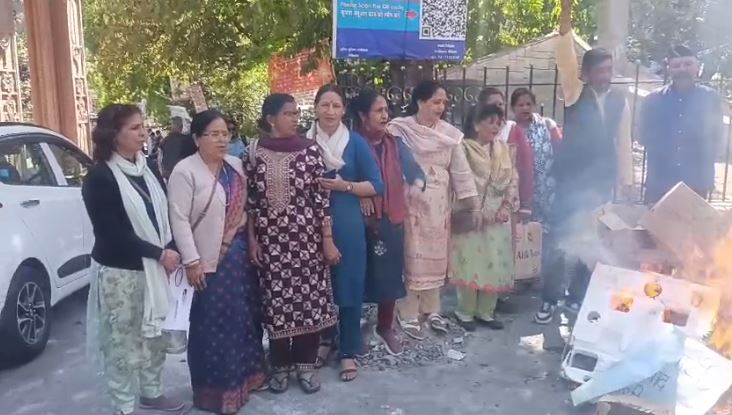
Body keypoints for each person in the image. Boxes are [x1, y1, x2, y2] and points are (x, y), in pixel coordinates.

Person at [82, 104, 189, 415]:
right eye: (134, 128)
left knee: (154, 336)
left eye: (142, 126)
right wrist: (160, 253)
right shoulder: (100, 177)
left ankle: (152, 393)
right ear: (113, 135)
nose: (143, 133)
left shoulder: (147, 168)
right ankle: (124, 405)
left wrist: (170, 249)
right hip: (121, 274)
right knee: (121, 342)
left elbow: (163, 214)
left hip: (155, 269)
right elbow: (111, 234)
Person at [534, 0, 633, 325]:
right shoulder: (575, 91)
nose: (605, 76)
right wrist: (566, 11)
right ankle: (549, 300)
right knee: (559, 243)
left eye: (608, 70)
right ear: (586, 74)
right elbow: (565, 51)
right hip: (570, 184)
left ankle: (575, 297)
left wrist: (625, 182)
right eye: (599, 71)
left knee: (592, 242)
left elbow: (624, 143)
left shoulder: (620, 101)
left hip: (600, 185)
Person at [168, 110, 266, 414]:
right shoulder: (185, 171)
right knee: (211, 325)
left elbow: (246, 209)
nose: (222, 140)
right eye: (214, 134)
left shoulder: (235, 166)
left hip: (239, 259)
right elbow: (179, 219)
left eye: (225, 134)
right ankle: (216, 392)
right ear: (197, 138)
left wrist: (248, 237)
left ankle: (247, 380)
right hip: (208, 262)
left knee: (244, 319)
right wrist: (192, 261)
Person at [246, 94, 338, 394]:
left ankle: (306, 367)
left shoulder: (310, 150)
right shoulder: (255, 152)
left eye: (296, 113)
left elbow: (321, 200)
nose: (295, 119)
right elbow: (251, 203)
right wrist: (252, 240)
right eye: (288, 114)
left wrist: (327, 240)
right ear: (271, 119)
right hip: (271, 245)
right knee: (276, 304)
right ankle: (280, 366)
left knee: (308, 304)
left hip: (306, 243)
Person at [387, 80, 479, 340]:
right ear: (420, 102)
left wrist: (471, 202)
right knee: (411, 256)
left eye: (443, 102)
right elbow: (391, 163)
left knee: (435, 256)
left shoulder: (449, 134)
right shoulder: (400, 129)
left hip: (439, 205)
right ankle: (407, 312)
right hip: (410, 202)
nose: (441, 107)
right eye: (435, 102)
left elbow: (460, 170)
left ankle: (432, 310)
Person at [306, 84, 383, 382]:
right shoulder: (303, 143)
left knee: (349, 285)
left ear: (343, 110)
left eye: (336, 106)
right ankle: (324, 341)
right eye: (325, 105)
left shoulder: (355, 143)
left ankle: (348, 350)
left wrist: (345, 186)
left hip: (347, 222)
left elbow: (376, 185)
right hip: (310, 224)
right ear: (315, 108)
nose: (330, 111)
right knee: (317, 287)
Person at [351, 88, 425, 356]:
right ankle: (350, 332)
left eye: (386, 110)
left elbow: (415, 171)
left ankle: (385, 327)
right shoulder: (350, 144)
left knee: (391, 277)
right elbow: (341, 176)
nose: (385, 115)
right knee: (355, 277)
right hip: (358, 220)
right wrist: (361, 194)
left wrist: (417, 184)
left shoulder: (395, 144)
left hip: (391, 217)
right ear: (363, 116)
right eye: (379, 110)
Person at [451, 104, 519, 331]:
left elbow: (513, 179)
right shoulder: (462, 149)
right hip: (471, 216)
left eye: (499, 123)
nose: (496, 127)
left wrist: (505, 207)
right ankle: (465, 312)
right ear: (475, 124)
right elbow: (460, 181)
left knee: (494, 263)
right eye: (490, 122)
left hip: (497, 218)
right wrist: (475, 208)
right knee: (469, 262)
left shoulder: (504, 150)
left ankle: (486, 312)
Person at [640, 45, 723, 204]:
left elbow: (717, 138)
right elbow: (643, 137)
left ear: (697, 66)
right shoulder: (653, 100)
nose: (682, 69)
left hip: (696, 184)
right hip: (660, 184)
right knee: (656, 221)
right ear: (669, 69)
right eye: (677, 65)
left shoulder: (711, 99)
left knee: (693, 221)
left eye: (687, 64)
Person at [469, 87, 534, 220]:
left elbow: (525, 167)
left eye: (500, 104)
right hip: (475, 208)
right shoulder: (469, 143)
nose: (498, 108)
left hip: (505, 208)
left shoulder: (512, 130)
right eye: (493, 104)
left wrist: (523, 203)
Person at [510, 88, 562, 228]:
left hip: (548, 189)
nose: (525, 108)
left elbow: (560, 151)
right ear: (513, 108)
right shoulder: (511, 130)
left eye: (528, 104)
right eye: (520, 105)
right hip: (523, 189)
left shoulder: (547, 125)